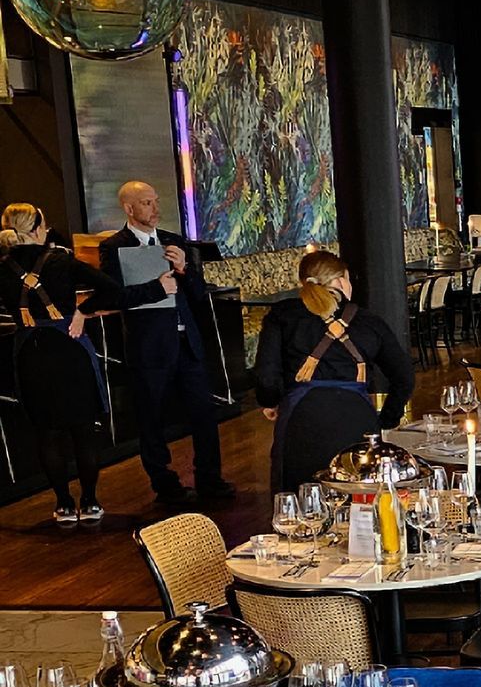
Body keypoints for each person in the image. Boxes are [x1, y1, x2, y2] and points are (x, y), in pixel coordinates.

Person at [97, 179, 232, 508]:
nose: (155, 209)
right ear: (129, 209)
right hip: (150, 347)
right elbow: (115, 297)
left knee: (204, 413)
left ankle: (210, 479)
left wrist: (185, 269)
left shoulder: (174, 241)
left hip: (187, 342)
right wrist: (157, 289)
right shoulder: (114, 247)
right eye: (146, 203)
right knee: (151, 418)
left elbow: (200, 295)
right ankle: (165, 484)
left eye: (156, 201)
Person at [254, 247, 416, 491]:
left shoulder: (282, 315)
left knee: (299, 499)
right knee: (358, 500)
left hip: (301, 416)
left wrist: (272, 400)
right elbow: (404, 376)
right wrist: (385, 419)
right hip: (357, 419)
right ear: (341, 281)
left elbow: (266, 375)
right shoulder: (368, 321)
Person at [0, 204, 110, 524]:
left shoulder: (2, 267)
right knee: (83, 431)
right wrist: (82, 311)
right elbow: (111, 287)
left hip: (29, 354)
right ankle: (89, 502)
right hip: (69, 348)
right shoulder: (61, 260)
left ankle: (63, 504)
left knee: (46, 434)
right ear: (36, 229)